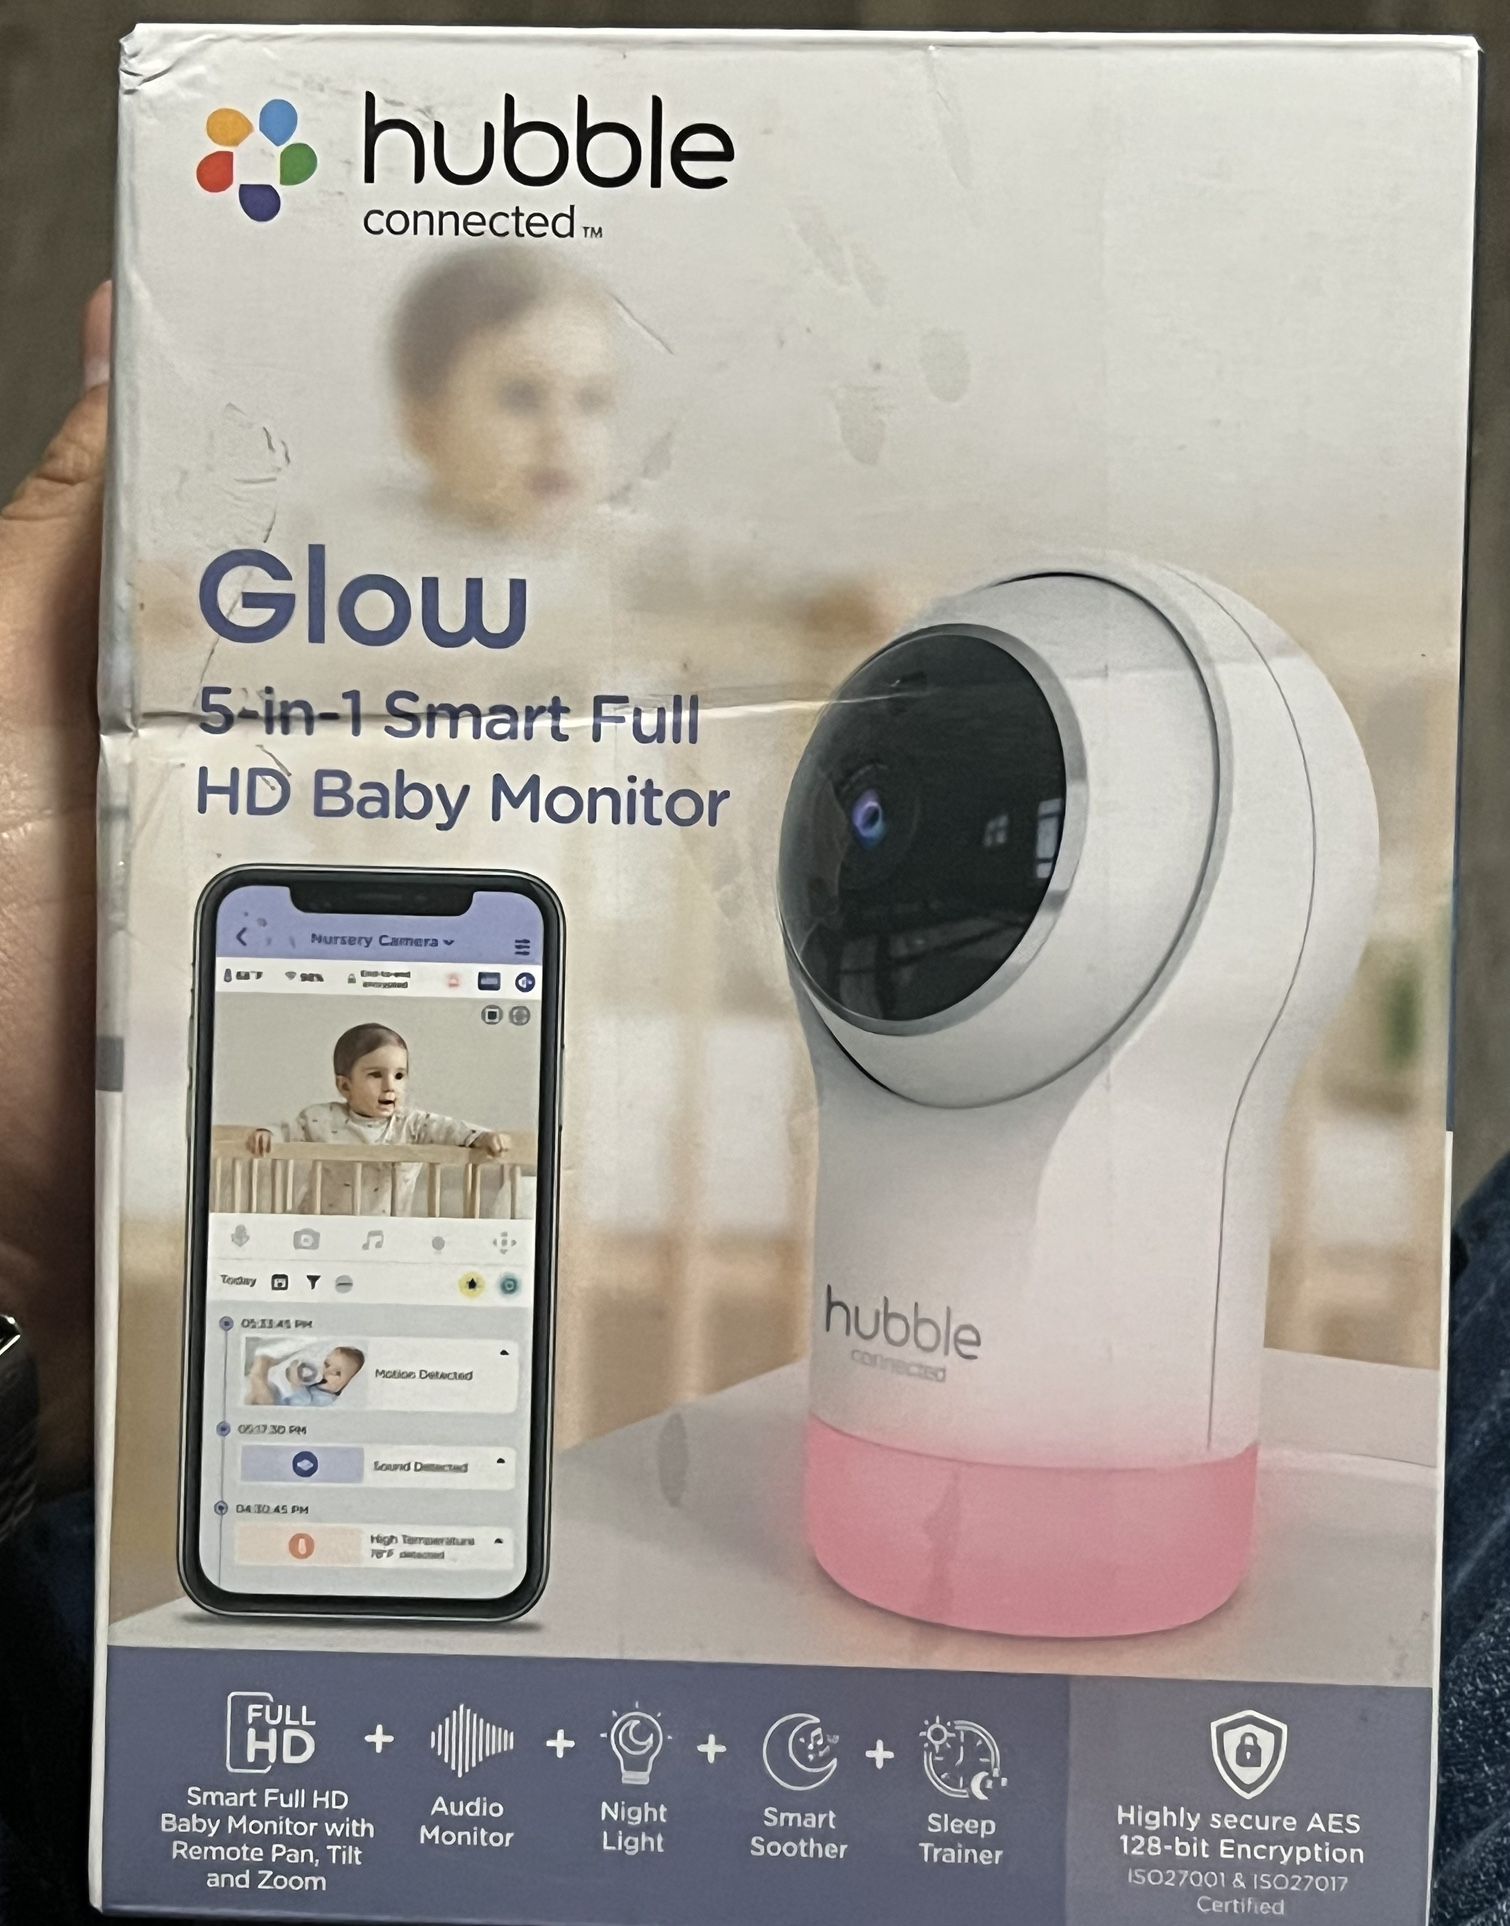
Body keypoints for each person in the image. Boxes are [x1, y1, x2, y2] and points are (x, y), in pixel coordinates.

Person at [242, 1021, 509, 1214]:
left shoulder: (411, 1125)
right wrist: (267, 1134)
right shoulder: (322, 1118)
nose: (390, 1086)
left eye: (399, 1075)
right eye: (375, 1075)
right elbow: (288, 1130)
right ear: (345, 1086)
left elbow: (452, 1129)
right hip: (318, 1225)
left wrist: (483, 1137)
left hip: (386, 1232)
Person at [245, 1344, 365, 1408]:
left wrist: (296, 1383)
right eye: (327, 1364)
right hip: (282, 1401)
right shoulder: (319, 1386)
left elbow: (303, 1401)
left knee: (263, 1396)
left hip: (280, 1408)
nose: (328, 1372)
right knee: (258, 1394)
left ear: (348, 1383)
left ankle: (258, 1374)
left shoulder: (327, 1400)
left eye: (338, 1373)